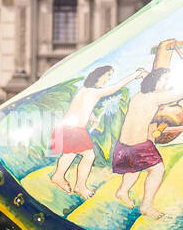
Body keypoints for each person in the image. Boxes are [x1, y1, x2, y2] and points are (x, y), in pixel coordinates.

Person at [113, 66, 183, 218]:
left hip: (123, 145)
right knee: (157, 170)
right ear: (155, 81)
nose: (166, 84)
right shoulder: (154, 98)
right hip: (137, 145)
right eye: (165, 80)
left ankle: (122, 191)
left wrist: (148, 75)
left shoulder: (139, 95)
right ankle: (146, 205)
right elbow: (181, 93)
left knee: (134, 167)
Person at [50, 64, 146, 197]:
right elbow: (116, 87)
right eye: (107, 75)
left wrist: (91, 117)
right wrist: (135, 75)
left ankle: (58, 176)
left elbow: (79, 106)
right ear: (99, 75)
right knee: (89, 156)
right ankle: (80, 186)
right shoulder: (95, 92)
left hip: (66, 127)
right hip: (73, 130)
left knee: (69, 154)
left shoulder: (84, 90)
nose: (108, 79)